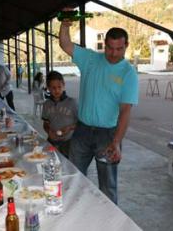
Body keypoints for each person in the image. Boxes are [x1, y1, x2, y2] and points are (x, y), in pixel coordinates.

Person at [59, 12, 139, 204]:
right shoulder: (90, 59)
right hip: (82, 131)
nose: (113, 53)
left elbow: (125, 111)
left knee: (108, 185)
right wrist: (65, 24)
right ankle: (75, 215)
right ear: (105, 44)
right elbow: (65, 44)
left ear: (126, 46)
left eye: (119, 49)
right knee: (74, 178)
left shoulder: (128, 73)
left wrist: (117, 141)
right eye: (110, 48)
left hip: (108, 135)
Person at [42, 71, 77, 158]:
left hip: (69, 143)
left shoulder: (72, 103)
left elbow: (81, 123)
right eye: (53, 88)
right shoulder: (46, 104)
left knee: (68, 166)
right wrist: (49, 131)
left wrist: (70, 128)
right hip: (52, 142)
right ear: (48, 88)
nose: (57, 90)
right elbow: (46, 124)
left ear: (63, 85)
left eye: (59, 87)